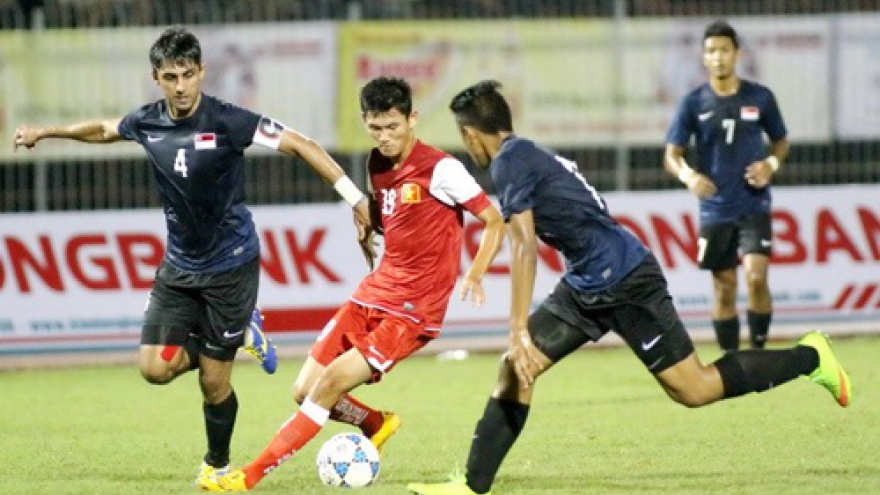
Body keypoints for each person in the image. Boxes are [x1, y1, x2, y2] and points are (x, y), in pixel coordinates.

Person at [406, 80, 851, 495]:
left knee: (694, 389)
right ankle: (471, 485)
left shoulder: (507, 162)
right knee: (515, 366)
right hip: (586, 284)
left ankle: (811, 356)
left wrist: (517, 326)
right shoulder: (522, 155)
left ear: (470, 135)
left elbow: (523, 245)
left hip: (627, 279)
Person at [12, 26, 372, 486]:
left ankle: (217, 464)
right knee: (153, 369)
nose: (180, 86)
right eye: (169, 76)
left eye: (187, 74)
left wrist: (355, 199)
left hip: (230, 267)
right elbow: (105, 129)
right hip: (179, 266)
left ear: (202, 72)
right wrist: (48, 131)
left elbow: (302, 144)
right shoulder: (148, 122)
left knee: (213, 382)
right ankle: (240, 332)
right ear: (156, 78)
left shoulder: (229, 121)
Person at [199, 76, 506, 492]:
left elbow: (493, 220)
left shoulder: (442, 169)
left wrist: (474, 272)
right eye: (375, 128)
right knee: (303, 388)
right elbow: (388, 214)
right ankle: (377, 423)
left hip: (411, 311)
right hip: (373, 292)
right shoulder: (377, 165)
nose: (384, 138)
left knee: (326, 386)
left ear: (412, 118)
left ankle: (248, 477)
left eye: (393, 127)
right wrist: (368, 224)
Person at [663, 20, 790, 352]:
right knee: (724, 287)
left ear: (737, 54)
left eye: (724, 50)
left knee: (756, 277)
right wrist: (689, 176)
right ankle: (732, 362)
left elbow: (781, 142)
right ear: (703, 58)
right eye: (711, 51)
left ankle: (758, 352)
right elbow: (671, 155)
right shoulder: (693, 103)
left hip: (753, 203)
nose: (717, 57)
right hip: (715, 207)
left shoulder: (760, 97)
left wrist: (770, 164)